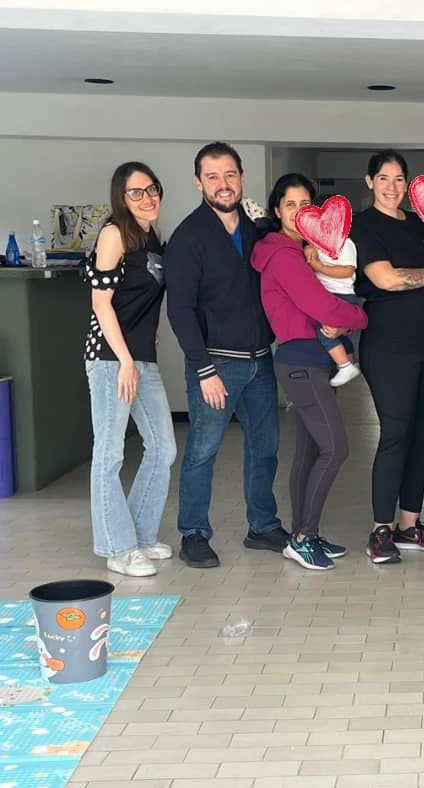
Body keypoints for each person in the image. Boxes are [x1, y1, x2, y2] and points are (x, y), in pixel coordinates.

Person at [166, 142, 286, 568]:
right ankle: (194, 533)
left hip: (261, 359)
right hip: (216, 364)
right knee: (203, 450)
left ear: (241, 178)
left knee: (265, 448)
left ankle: (263, 526)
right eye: (213, 176)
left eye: (230, 174)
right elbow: (180, 310)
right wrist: (203, 369)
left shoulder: (256, 230)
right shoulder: (188, 237)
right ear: (199, 183)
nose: (223, 184)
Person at [353, 149, 424, 564]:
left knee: (423, 434)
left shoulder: (421, 223)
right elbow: (386, 278)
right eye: (383, 178)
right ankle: (380, 530)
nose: (392, 186)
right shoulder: (364, 225)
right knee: (396, 433)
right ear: (370, 182)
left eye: (399, 179)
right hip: (390, 348)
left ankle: (409, 525)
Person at [251, 173, 368, 571]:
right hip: (302, 361)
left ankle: (305, 534)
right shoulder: (284, 256)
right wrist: (361, 317)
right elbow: (322, 306)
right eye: (290, 205)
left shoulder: (302, 251)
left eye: (306, 205)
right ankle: (302, 538)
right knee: (336, 448)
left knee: (311, 450)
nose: (299, 212)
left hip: (311, 360)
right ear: (277, 210)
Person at [84, 161, 176, 577]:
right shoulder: (114, 234)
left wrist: (143, 345)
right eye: (136, 192)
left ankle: (137, 535)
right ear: (121, 198)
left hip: (140, 357)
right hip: (111, 359)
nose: (147, 198)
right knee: (109, 454)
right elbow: (100, 302)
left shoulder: (152, 236)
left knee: (163, 449)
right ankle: (117, 548)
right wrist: (123, 360)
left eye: (152, 189)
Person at [302, 194, 362, 387]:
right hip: (328, 296)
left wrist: (320, 267)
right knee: (338, 334)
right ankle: (349, 360)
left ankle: (345, 365)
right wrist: (308, 250)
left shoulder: (345, 244)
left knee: (324, 331)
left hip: (341, 296)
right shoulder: (316, 245)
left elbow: (347, 271)